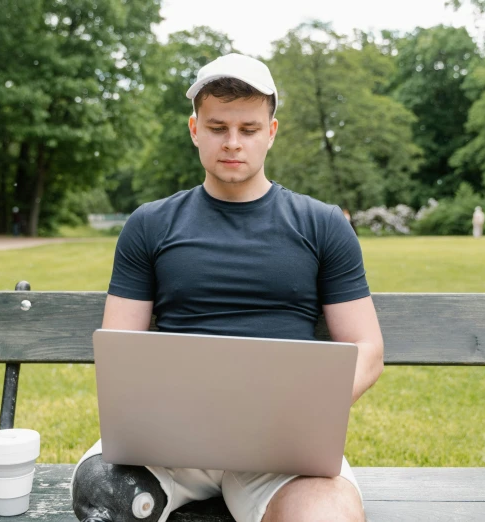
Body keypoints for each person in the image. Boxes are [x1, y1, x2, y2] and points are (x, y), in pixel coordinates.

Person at [71, 53, 384, 522]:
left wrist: (303, 414)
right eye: (218, 128)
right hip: (168, 444)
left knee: (326, 512)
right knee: (102, 492)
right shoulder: (149, 225)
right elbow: (120, 348)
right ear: (195, 129)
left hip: (282, 446)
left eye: (249, 129)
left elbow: (368, 349)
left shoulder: (322, 225)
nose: (233, 143)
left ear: (271, 132)